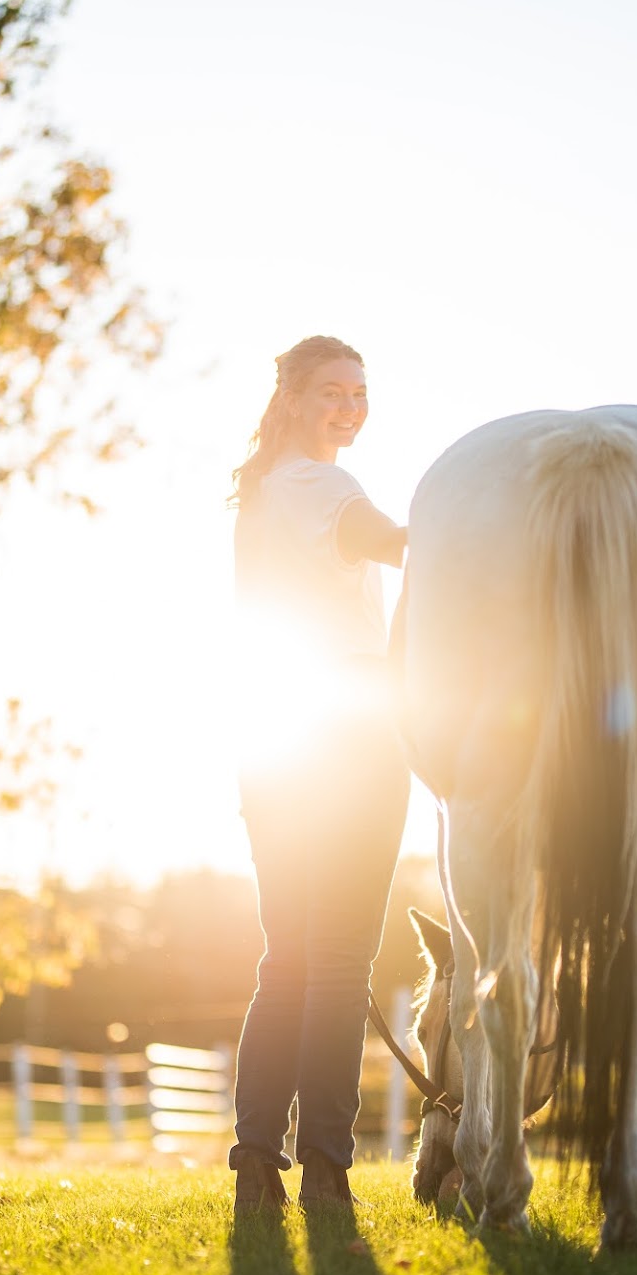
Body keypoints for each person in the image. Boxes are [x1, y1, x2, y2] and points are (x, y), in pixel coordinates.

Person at [227, 335, 410, 1213]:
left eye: (361, 393)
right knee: (338, 962)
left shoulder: (261, 492)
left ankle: (258, 1160)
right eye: (333, 391)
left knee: (290, 961)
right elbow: (399, 544)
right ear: (295, 399)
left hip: (272, 736)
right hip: (346, 737)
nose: (350, 407)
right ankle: (328, 1170)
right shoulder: (324, 487)